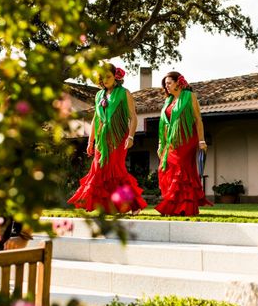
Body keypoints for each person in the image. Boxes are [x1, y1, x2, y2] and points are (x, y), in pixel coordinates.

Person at [68, 64, 147, 214]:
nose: (105, 80)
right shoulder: (99, 95)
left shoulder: (125, 93)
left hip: (118, 138)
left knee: (117, 171)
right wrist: (90, 141)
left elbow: (133, 117)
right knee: (99, 171)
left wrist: (131, 136)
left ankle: (134, 204)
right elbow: (96, 120)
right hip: (101, 140)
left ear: (116, 76)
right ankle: (103, 206)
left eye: (108, 76)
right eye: (102, 77)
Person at [155, 71, 212, 216]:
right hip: (171, 143)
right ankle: (175, 205)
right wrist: (161, 144)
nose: (166, 86)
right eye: (165, 84)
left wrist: (201, 140)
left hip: (186, 139)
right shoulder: (168, 101)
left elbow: (198, 119)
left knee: (181, 171)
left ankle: (184, 207)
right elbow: (164, 124)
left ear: (178, 83)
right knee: (165, 169)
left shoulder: (189, 96)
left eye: (169, 83)